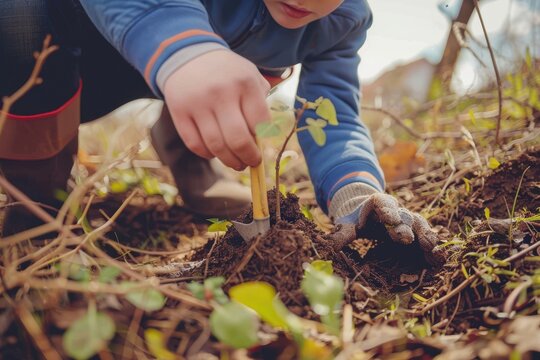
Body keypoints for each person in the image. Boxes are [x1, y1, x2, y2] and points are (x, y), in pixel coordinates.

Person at [0, 0, 442, 264]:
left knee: (249, 68)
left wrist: (357, 193)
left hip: (179, 86)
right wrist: (185, 49)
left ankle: (188, 153)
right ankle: (38, 198)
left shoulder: (341, 21)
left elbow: (333, 115)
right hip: (53, 63)